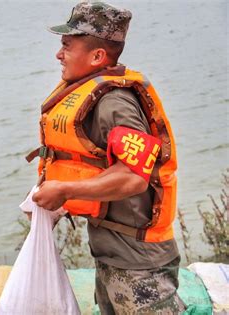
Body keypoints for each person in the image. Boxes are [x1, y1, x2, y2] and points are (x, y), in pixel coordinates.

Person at [28, 2, 186, 314]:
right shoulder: (93, 94)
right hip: (113, 254)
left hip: (139, 265)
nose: (59, 55)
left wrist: (66, 190)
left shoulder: (116, 104)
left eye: (66, 46)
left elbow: (133, 177)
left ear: (98, 56)